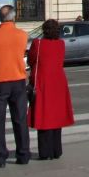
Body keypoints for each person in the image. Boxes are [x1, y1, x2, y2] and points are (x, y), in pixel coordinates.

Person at [0, 4, 30, 167]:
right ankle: (23, 154)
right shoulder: (22, 35)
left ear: (0, 18)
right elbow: (23, 52)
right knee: (20, 119)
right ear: (14, 17)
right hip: (18, 80)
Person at [28, 19, 74, 160]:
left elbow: (31, 59)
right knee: (56, 117)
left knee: (44, 116)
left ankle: (45, 152)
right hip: (58, 82)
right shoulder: (61, 44)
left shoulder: (38, 43)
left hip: (43, 81)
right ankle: (56, 150)